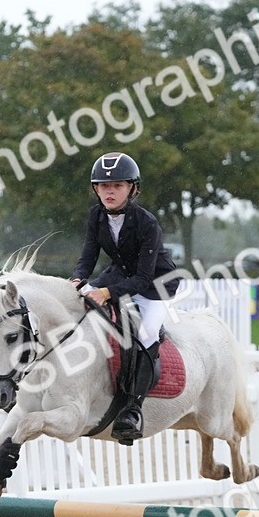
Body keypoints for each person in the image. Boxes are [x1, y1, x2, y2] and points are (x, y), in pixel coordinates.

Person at [70, 151, 179, 444]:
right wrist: (78, 279)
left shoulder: (146, 223)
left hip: (154, 284)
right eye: (104, 186)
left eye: (117, 185)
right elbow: (88, 254)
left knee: (144, 336)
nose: (109, 191)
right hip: (119, 273)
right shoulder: (96, 215)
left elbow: (143, 278)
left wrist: (105, 292)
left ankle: (132, 408)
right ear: (96, 189)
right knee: (83, 310)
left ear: (132, 188)